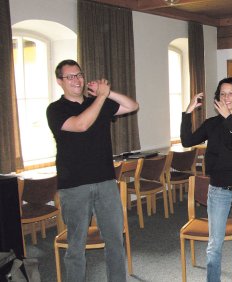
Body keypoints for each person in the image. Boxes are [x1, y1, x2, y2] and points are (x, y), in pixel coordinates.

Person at [46, 59, 139, 282]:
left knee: (115, 241)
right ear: (60, 82)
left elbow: (132, 106)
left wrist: (108, 93)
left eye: (79, 75)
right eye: (70, 77)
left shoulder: (98, 102)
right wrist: (101, 98)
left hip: (106, 182)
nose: (76, 80)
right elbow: (80, 125)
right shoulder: (56, 109)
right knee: (76, 246)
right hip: (74, 187)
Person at [180, 77, 232, 282]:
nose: (226, 97)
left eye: (231, 93)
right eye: (222, 94)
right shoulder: (211, 124)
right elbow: (187, 141)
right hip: (218, 190)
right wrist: (188, 112)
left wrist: (228, 118)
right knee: (214, 245)